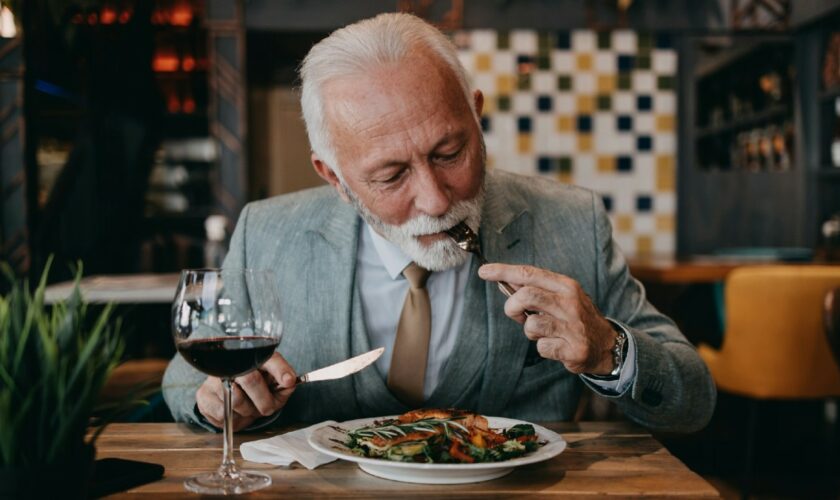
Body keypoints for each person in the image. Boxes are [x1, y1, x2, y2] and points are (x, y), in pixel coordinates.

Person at [163, 12, 715, 433]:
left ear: (476, 115)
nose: (433, 199)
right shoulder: (267, 231)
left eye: (450, 152)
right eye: (391, 175)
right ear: (334, 176)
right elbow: (185, 375)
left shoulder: (573, 222)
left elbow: (694, 399)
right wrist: (215, 399)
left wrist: (607, 350)